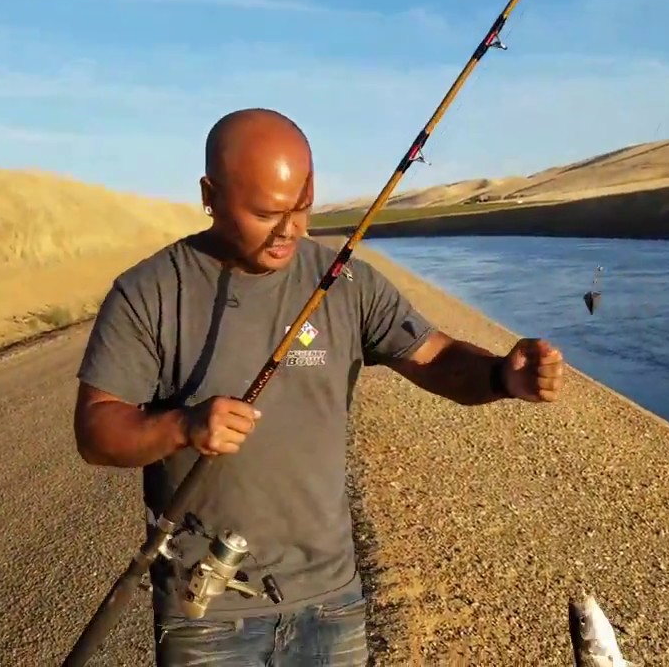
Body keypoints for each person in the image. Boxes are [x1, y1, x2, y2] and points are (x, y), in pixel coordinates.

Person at [73, 107, 565, 666]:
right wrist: (182, 425)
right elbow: (96, 431)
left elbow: (437, 358)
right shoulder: (150, 292)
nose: (290, 230)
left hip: (333, 605)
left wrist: (502, 374)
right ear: (209, 194)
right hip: (209, 617)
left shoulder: (345, 282)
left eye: (302, 207)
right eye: (266, 213)